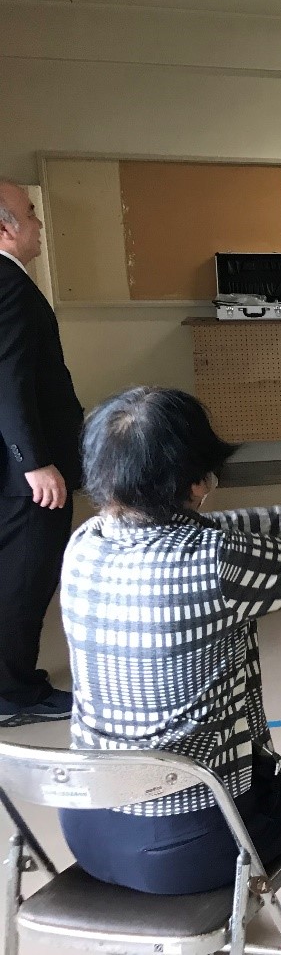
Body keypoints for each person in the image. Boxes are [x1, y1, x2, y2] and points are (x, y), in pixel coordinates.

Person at [59, 386, 281, 955]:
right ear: (198, 481)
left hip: (87, 828)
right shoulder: (212, 562)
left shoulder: (84, 543)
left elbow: (216, 529)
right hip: (190, 847)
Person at [0, 178, 84, 726]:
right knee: (24, 578)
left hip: (14, 466)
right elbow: (8, 379)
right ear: (5, 228)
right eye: (30, 213)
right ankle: (13, 694)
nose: (38, 224)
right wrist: (33, 461)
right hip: (26, 472)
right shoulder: (8, 285)